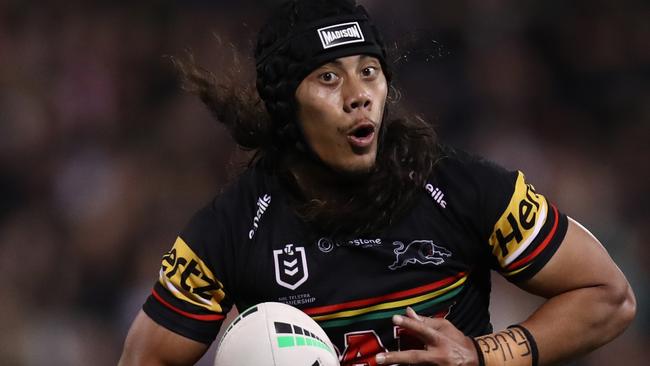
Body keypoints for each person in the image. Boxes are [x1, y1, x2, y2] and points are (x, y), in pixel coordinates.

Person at [119, 0, 636, 365]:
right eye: (328, 77)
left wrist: (483, 354)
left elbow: (608, 295)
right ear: (284, 105)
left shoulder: (460, 188)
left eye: (369, 70)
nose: (358, 94)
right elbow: (145, 359)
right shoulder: (231, 229)